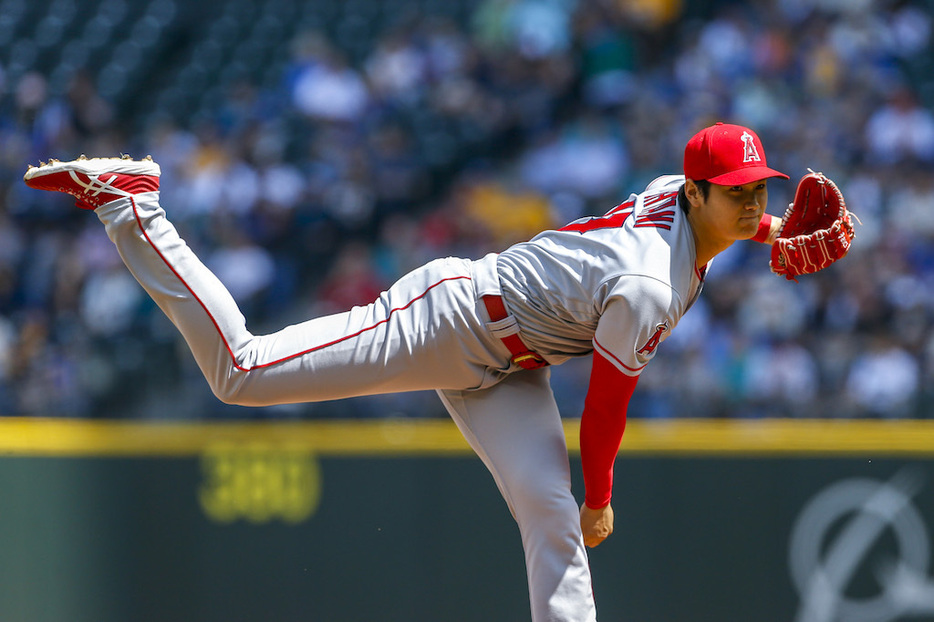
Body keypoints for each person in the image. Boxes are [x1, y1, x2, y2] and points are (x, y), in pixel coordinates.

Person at [24, 122, 791, 621]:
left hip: (511, 362)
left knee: (546, 518)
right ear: (696, 193)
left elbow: (714, 222)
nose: (754, 201)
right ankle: (136, 205)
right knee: (241, 371)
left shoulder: (673, 201)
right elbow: (606, 410)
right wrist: (602, 497)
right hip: (450, 319)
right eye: (739, 193)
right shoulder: (649, 284)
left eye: (760, 189)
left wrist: (778, 234)